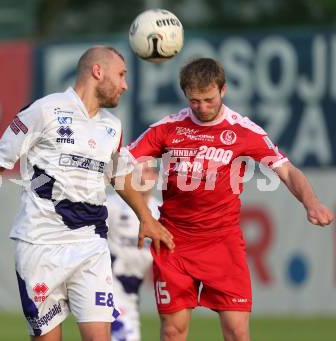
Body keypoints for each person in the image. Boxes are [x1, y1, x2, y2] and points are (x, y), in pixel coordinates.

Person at [0, 46, 174, 341]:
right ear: (98, 72)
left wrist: (146, 218)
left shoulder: (113, 126)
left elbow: (119, 174)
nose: (125, 84)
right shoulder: (43, 111)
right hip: (40, 244)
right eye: (121, 75)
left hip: (91, 245)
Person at [123, 57, 334, 341]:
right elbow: (120, 164)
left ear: (222, 91)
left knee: (237, 331)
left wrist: (311, 202)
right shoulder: (167, 128)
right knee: (173, 331)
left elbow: (286, 170)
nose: (202, 107)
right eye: (194, 100)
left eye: (209, 99)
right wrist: (144, 216)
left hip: (223, 244)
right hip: (174, 243)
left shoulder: (243, 130)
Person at [107, 162, 160, 341]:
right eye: (139, 171)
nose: (146, 175)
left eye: (150, 171)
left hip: (133, 288)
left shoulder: (161, 211)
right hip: (113, 283)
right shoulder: (112, 205)